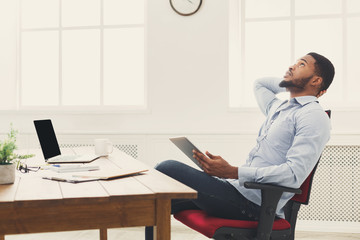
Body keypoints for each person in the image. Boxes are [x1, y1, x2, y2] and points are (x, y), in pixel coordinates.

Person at [146, 52, 335, 238]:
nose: (292, 66)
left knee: (167, 167)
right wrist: (291, 79)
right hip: (236, 188)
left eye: (301, 64)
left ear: (316, 81)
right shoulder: (279, 107)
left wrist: (233, 172)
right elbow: (260, 84)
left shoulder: (313, 116)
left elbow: (293, 175)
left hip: (254, 204)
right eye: (294, 63)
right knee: (155, 201)